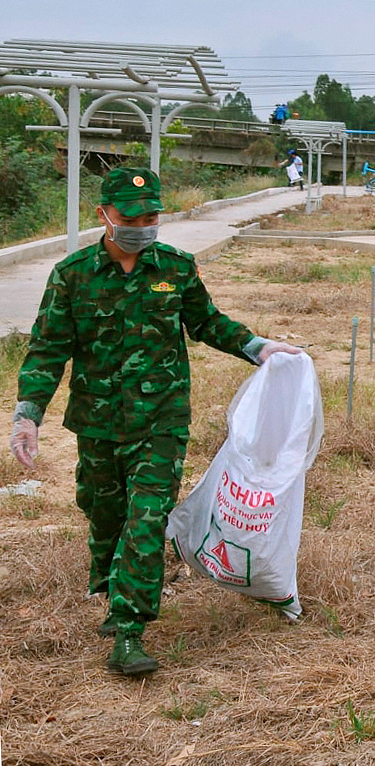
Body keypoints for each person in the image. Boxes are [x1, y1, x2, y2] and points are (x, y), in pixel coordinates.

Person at [8, 167, 302, 677]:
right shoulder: (73, 274)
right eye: (132, 216)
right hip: (98, 422)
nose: (143, 225)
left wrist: (257, 346)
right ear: (104, 215)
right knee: (104, 513)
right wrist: (28, 413)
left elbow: (207, 322)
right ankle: (107, 580)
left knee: (146, 521)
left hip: (161, 420)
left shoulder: (175, 267)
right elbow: (48, 349)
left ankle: (128, 629)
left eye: (151, 215)